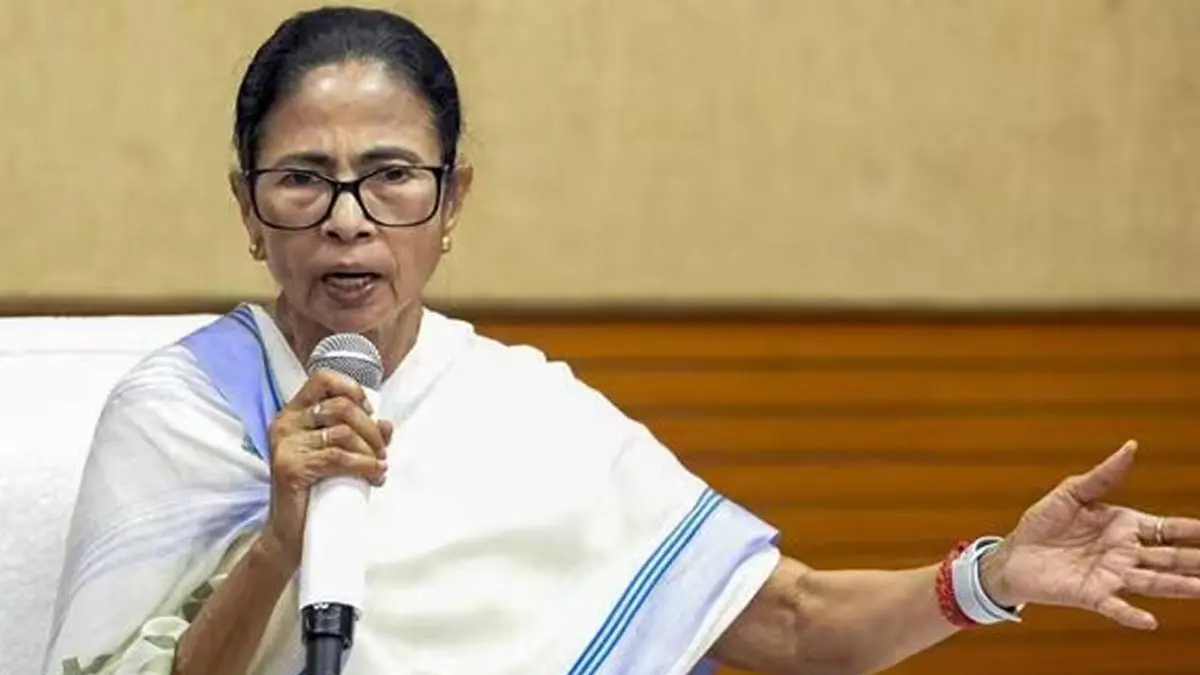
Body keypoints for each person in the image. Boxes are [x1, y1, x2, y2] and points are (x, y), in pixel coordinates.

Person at [43, 6, 1200, 675]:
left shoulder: (534, 413)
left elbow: (792, 625)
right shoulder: (179, 416)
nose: (348, 217)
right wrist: (277, 551)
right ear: (249, 211)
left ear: (452, 205)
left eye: (392, 176)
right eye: (304, 181)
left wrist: (994, 577)